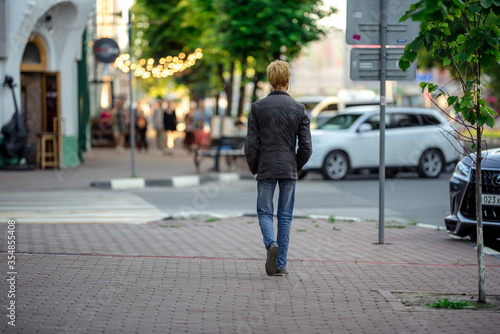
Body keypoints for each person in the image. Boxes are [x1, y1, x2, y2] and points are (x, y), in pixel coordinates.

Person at [244, 60, 312, 277]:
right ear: (287, 80)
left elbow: (251, 145)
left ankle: (270, 244)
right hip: (288, 167)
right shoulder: (299, 109)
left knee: (264, 212)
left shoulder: (257, 108)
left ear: (270, 80)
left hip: (265, 165)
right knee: (285, 216)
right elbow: (307, 147)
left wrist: (255, 166)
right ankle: (280, 264)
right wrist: (295, 165)